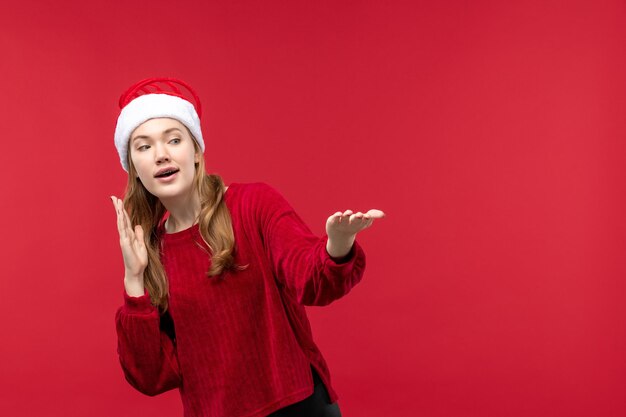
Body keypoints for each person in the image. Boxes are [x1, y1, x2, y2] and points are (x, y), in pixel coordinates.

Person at [110, 77, 384, 417]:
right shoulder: (149, 250)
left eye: (174, 139)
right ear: (134, 167)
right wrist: (134, 280)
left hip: (297, 406)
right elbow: (150, 376)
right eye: (144, 146)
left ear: (196, 150)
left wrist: (337, 245)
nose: (162, 154)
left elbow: (312, 280)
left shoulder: (254, 204)